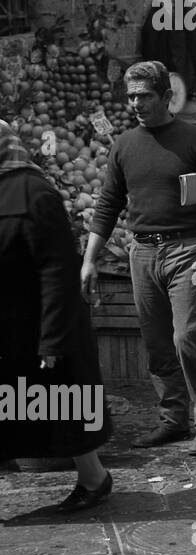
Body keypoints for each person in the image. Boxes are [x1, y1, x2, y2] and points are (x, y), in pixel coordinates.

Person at [82, 60, 196, 456]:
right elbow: (107, 205)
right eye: (131, 96)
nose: (136, 103)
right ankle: (173, 419)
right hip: (143, 252)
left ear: (166, 97)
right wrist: (89, 259)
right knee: (157, 344)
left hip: (190, 250)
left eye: (145, 96)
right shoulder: (124, 145)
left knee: (187, 338)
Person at [0, 120, 113, 512]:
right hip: (11, 326)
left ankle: (95, 479)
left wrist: (51, 341)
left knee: (61, 406)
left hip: (39, 324)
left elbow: (57, 273)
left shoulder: (35, 193)